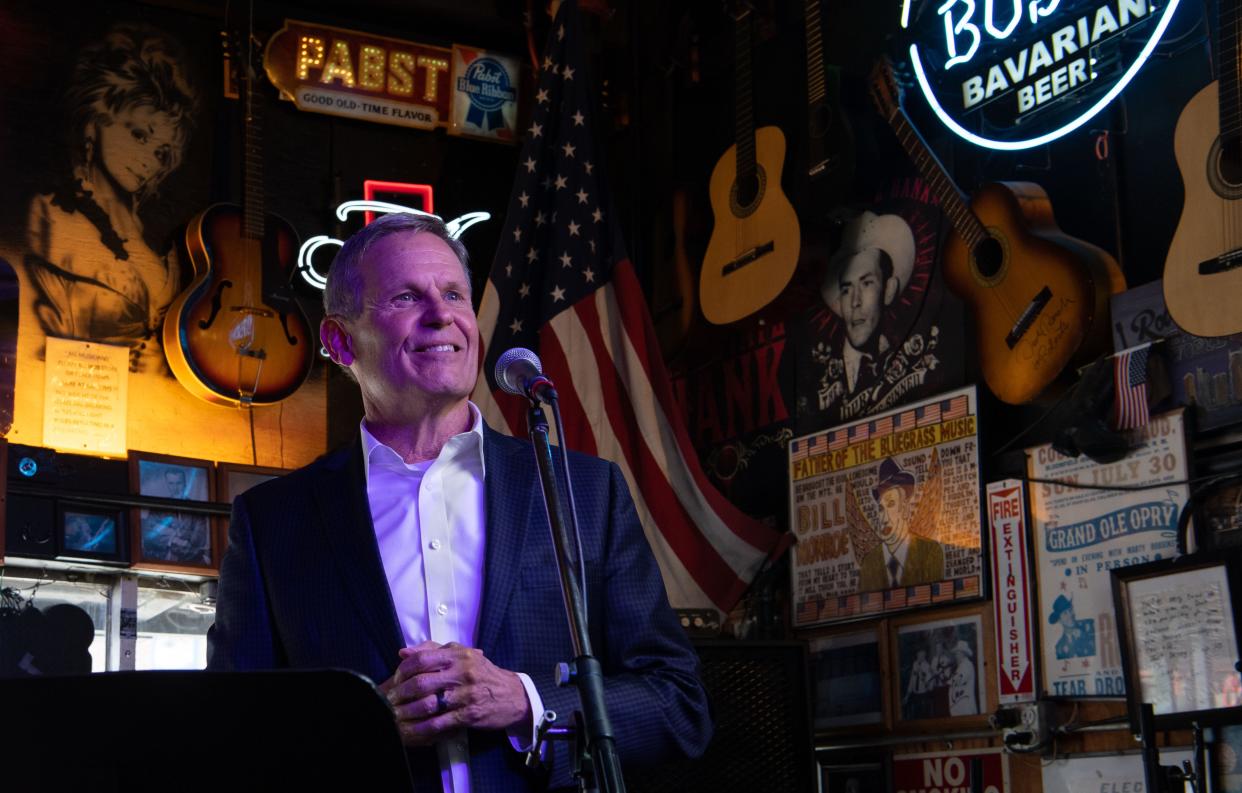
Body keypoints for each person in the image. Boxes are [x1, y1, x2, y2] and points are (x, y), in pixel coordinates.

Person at [207, 212, 712, 791]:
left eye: (453, 294)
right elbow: (232, 731)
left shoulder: (585, 492)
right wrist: (362, 724)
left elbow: (680, 705)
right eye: (405, 297)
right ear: (339, 340)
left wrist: (528, 703)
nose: (442, 314)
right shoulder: (274, 522)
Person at [24, 23, 196, 373]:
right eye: (139, 135)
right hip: (75, 394)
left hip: (158, 410)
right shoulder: (51, 216)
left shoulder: (150, 235)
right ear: (97, 120)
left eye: (162, 151)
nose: (149, 159)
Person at [819, 212, 915, 400]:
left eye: (866, 283)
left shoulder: (900, 355)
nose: (855, 301)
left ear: (888, 290)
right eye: (846, 290)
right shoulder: (821, 373)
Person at [857, 458, 944, 591]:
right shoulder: (869, 563)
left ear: (905, 509)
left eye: (891, 504)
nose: (884, 518)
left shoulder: (930, 552)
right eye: (881, 509)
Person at [1049, 594, 1096, 659]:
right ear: (1059, 620)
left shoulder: (1090, 624)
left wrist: (1083, 636)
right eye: (1065, 613)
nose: (1070, 615)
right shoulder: (1059, 647)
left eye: (1070, 610)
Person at [946, 639, 978, 716]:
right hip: (959, 705)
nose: (956, 656)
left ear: (962, 654)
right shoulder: (961, 666)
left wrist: (948, 680)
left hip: (965, 707)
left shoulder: (967, 665)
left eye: (957, 653)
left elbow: (959, 680)